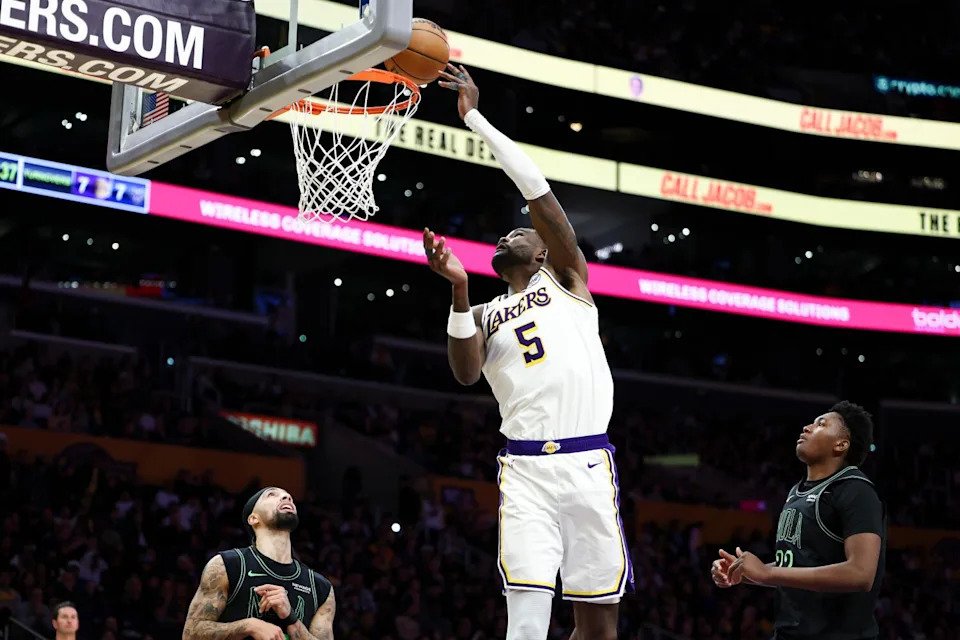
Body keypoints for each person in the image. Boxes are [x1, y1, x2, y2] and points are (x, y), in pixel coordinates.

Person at [425, 63, 630, 640]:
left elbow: (535, 190)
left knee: (597, 623)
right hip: (525, 469)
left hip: (587, 463)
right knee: (527, 615)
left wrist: (475, 119)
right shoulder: (484, 312)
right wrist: (461, 291)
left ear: (544, 252)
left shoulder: (567, 279)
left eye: (522, 232)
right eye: (505, 234)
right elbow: (466, 374)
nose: (507, 235)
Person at [711, 401, 886, 640]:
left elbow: (860, 574)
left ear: (841, 444)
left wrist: (766, 574)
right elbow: (797, 567)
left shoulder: (856, 491)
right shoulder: (796, 492)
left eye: (821, 424)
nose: (806, 427)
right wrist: (744, 574)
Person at [182, 487, 335, 640]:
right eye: (272, 495)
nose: (286, 497)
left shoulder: (320, 587)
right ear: (253, 518)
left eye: (288, 497)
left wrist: (290, 618)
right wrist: (249, 626)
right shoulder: (227, 565)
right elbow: (190, 633)